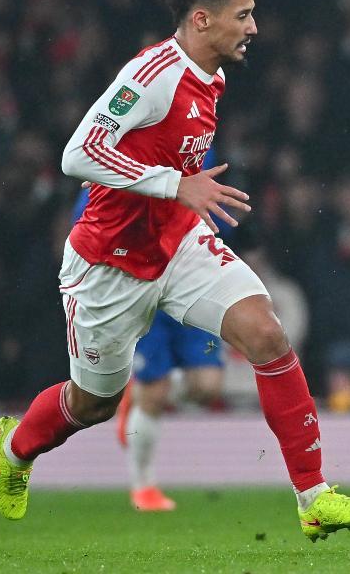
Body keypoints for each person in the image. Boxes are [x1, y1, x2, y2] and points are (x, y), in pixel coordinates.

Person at [0, 0, 350, 541]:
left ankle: (314, 497)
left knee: (267, 334)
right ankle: (14, 451)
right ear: (202, 20)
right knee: (94, 402)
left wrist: (177, 194)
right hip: (108, 265)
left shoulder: (211, 76)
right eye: (242, 16)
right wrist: (175, 183)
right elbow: (78, 153)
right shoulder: (152, 75)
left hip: (177, 243)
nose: (253, 27)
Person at [72, 149, 229, 513]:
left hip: (190, 276)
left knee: (208, 386)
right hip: (139, 285)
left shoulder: (200, 146)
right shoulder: (122, 150)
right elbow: (85, 221)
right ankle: (143, 487)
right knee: (155, 393)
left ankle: (139, 395)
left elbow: (210, 202)